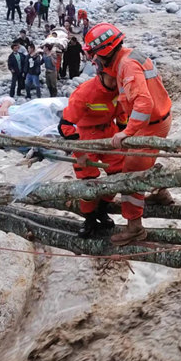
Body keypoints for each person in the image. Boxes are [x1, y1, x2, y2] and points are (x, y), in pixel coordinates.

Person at [85, 22, 173, 246]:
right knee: (143, 160)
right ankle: (161, 192)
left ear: (104, 52)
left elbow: (143, 104)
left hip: (149, 124)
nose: (95, 61)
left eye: (95, 55)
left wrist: (127, 132)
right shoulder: (129, 56)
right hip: (159, 119)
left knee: (130, 175)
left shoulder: (127, 66)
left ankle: (135, 228)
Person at [58, 71, 127, 237]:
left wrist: (124, 133)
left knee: (117, 176)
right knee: (88, 182)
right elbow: (65, 126)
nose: (114, 82)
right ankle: (89, 219)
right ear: (101, 74)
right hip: (86, 137)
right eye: (111, 78)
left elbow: (122, 112)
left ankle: (102, 211)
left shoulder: (119, 88)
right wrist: (80, 153)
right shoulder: (84, 93)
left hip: (110, 134)